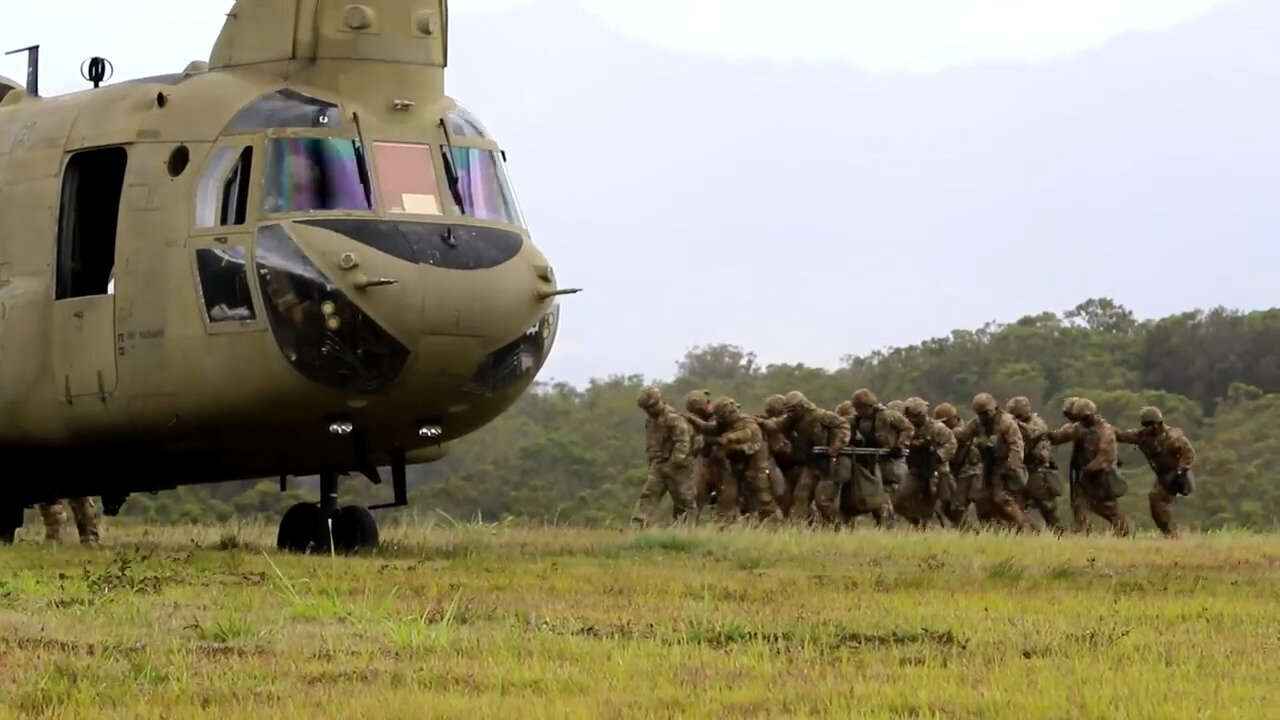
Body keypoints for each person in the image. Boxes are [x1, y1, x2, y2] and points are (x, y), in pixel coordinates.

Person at [1045, 398, 1133, 536]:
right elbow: (1059, 437)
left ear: (1092, 414)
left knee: (1107, 509)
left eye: (1084, 418)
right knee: (1080, 506)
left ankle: (1125, 532)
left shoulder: (1105, 431)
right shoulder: (1078, 427)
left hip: (1100, 476)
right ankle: (1084, 533)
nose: (1082, 421)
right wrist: (1043, 432)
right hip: (1084, 478)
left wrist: (1087, 471)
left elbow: (1104, 457)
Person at [951, 393, 1034, 532]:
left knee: (1002, 500)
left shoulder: (1006, 421)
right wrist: (947, 431)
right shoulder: (977, 423)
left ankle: (1025, 529)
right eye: (980, 414)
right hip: (988, 467)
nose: (983, 416)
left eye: (984, 413)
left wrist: (1011, 466)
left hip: (1005, 467)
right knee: (982, 501)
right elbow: (964, 435)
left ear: (993, 408)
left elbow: (1016, 445)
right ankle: (992, 531)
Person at [1115, 406, 1196, 538]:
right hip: (1162, 476)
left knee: (1156, 498)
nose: (1146, 428)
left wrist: (1181, 470)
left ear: (1159, 423)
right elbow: (1121, 435)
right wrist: (1103, 426)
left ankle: (1172, 535)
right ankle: (1171, 534)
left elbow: (1189, 454)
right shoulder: (1142, 437)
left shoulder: (1173, 438)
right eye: (1144, 425)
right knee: (1155, 505)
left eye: (1149, 424)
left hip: (1176, 475)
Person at [632, 387, 697, 527]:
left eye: (649, 407)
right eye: (645, 408)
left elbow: (682, 444)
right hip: (659, 465)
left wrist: (672, 465)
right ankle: (637, 526)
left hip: (679, 468)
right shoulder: (651, 421)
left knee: (684, 502)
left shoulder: (674, 419)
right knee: (648, 497)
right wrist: (653, 463)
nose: (648, 411)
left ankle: (685, 531)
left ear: (657, 402)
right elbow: (651, 444)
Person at [1007, 396, 1066, 533]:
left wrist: (1016, 424)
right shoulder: (1013, 426)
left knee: (1047, 507)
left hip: (1037, 471)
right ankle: (1032, 532)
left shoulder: (1037, 423)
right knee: (1017, 507)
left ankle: (1060, 534)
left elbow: (1032, 433)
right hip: (1021, 470)